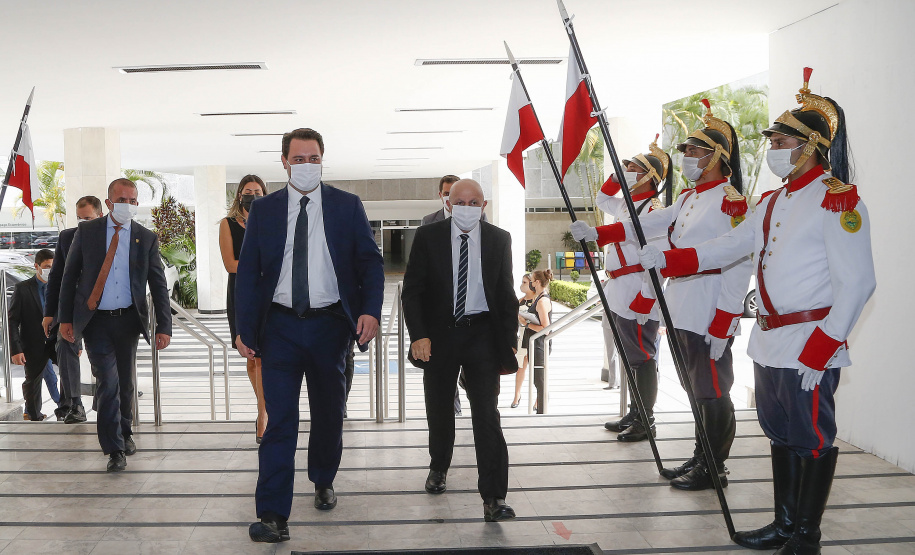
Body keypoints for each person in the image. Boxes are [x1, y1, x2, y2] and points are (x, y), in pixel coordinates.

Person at [639, 69, 875, 554]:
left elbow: (859, 282)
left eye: (782, 139)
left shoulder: (837, 201)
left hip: (810, 341)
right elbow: (728, 246)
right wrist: (668, 258)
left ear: (810, 145)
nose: (773, 147)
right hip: (768, 340)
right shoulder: (771, 202)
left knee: (812, 439)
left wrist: (825, 346)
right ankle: (784, 524)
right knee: (780, 434)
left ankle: (806, 536)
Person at [571, 100, 752, 490]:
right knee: (694, 389)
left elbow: (739, 264)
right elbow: (648, 222)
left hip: (708, 308)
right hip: (682, 308)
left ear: (717, 156)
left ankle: (714, 465)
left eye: (694, 150)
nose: (686, 156)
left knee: (713, 390)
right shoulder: (688, 199)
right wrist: (601, 234)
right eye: (684, 150)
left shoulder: (731, 201)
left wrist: (726, 320)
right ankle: (701, 452)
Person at [237, 128, 384, 544]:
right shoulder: (264, 210)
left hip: (330, 327)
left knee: (328, 413)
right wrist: (243, 329)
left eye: (313, 158)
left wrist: (370, 311)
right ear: (283, 162)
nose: (306, 165)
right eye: (298, 159)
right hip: (279, 328)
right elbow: (248, 272)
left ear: (323, 159)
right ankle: (272, 515)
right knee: (280, 420)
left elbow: (370, 264)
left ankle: (322, 478)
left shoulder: (347, 206)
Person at [402, 178, 518, 522]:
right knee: (439, 408)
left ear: (483, 206)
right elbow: (413, 291)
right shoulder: (428, 237)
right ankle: (439, 466)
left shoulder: (499, 239)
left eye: (474, 202)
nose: (467, 208)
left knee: (486, 414)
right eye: (460, 201)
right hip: (439, 336)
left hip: (482, 335)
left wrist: (508, 339)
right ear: (448, 203)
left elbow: (505, 293)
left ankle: (494, 496)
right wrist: (418, 335)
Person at [58, 178, 172, 472]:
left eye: (133, 200)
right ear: (109, 203)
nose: (128, 205)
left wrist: (164, 326)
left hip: (129, 322)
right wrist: (65, 319)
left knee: (126, 383)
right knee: (107, 383)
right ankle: (114, 448)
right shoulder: (88, 232)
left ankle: (125, 430)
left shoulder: (145, 238)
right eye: (123, 200)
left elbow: (158, 284)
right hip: (96, 322)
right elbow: (68, 278)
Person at [592, 138, 670, 442]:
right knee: (629, 356)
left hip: (639, 293)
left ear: (649, 176)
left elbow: (659, 263)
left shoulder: (653, 210)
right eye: (625, 168)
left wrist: (646, 298)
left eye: (632, 168)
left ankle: (645, 420)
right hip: (619, 291)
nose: (626, 171)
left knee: (643, 357)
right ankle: (635, 411)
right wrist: (615, 179)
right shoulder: (627, 202)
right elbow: (601, 198)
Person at [42, 195, 104, 424]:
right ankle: (74, 404)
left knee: (101, 355)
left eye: (87, 218)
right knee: (64, 348)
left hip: (100, 309)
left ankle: (102, 401)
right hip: (71, 311)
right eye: (79, 218)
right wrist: (49, 313)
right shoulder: (67, 237)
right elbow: (56, 277)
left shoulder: (109, 236)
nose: (82, 223)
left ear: (100, 215)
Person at [220, 174, 268, 442]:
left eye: (258, 191)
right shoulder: (228, 224)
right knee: (251, 354)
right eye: (248, 191)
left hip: (269, 295)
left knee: (264, 355)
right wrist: (261, 267)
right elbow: (230, 264)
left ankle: (263, 413)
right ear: (239, 195)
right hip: (241, 294)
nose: (253, 195)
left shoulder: (271, 221)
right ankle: (263, 410)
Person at [9, 249, 58, 421]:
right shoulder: (23, 289)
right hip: (33, 342)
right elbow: (12, 321)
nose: (50, 270)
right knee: (33, 381)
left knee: (68, 375)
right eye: (46, 266)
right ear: (36, 266)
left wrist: (78, 344)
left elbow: (71, 316)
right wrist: (16, 349)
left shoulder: (59, 287)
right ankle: (33, 414)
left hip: (57, 341)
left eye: (53, 266)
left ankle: (68, 410)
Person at [520, 269, 553, 414]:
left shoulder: (542, 301)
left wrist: (526, 324)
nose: (531, 283)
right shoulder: (539, 298)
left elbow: (546, 328)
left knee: (539, 380)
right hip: (535, 344)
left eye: (532, 280)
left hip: (539, 345)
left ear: (537, 282)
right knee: (537, 379)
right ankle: (541, 409)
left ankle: (542, 410)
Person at [512, 273, 537, 408]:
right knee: (520, 366)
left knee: (537, 368)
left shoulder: (538, 301)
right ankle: (517, 395)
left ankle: (539, 397)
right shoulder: (520, 301)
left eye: (525, 282)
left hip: (534, 337)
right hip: (522, 337)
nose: (522, 285)